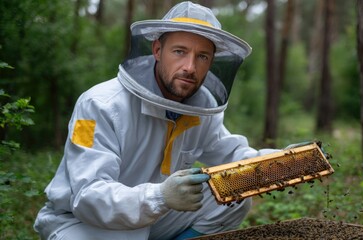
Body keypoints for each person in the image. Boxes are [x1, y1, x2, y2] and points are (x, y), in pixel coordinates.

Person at [34, 1, 278, 239]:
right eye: (180, 51)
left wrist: (279, 163)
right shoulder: (98, 105)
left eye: (202, 56)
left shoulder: (201, 109)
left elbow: (232, 155)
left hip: (154, 216)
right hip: (81, 222)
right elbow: (87, 196)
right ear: (158, 51)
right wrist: (160, 196)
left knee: (232, 195)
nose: (190, 67)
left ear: (211, 63)